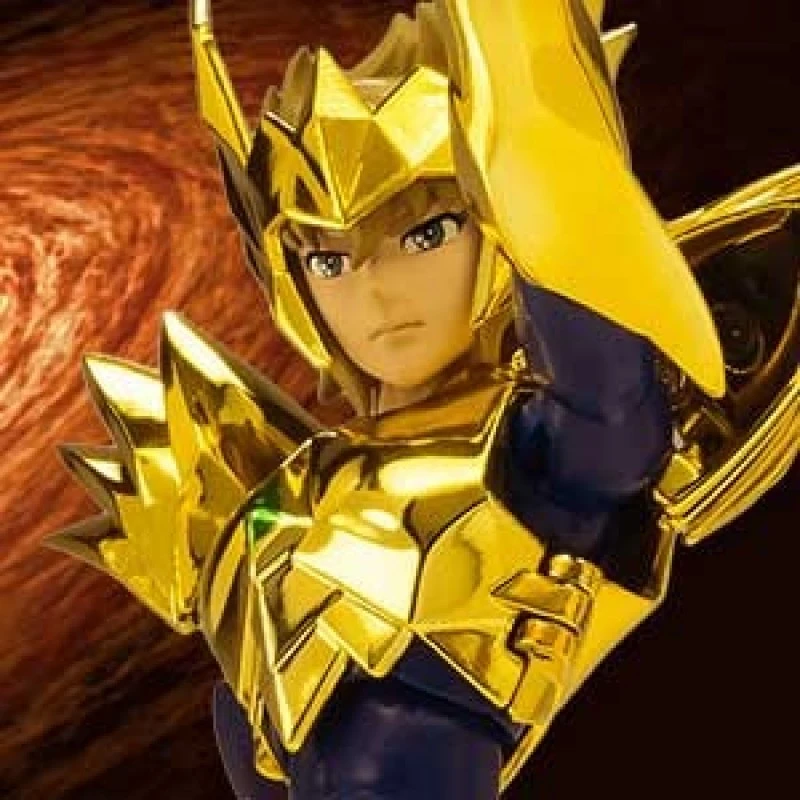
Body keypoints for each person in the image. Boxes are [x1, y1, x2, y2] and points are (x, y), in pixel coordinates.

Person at [52, 1, 799, 798]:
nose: (376, 291)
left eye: (425, 234)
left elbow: (606, 394)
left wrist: (523, 113)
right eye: (330, 261)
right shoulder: (297, 488)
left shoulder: (533, 453)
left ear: (493, 227)